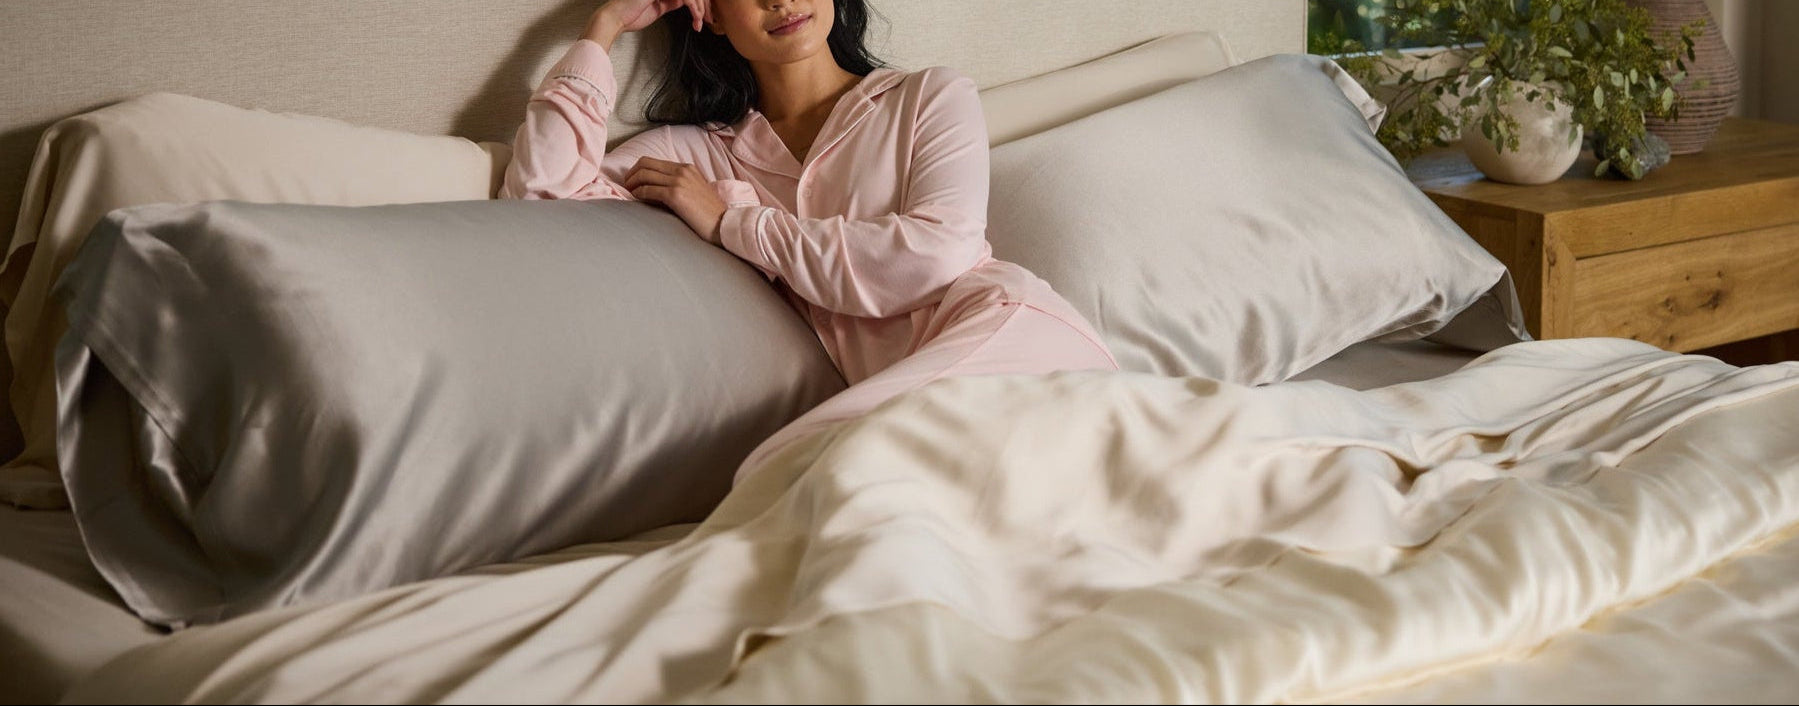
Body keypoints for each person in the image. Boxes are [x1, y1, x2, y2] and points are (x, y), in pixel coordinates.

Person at [503, 0, 1117, 481]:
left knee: (793, 469)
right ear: (710, 13)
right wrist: (604, 29)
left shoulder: (928, 97)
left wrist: (732, 224)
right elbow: (542, 202)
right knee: (815, 482)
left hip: (1009, 338)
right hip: (905, 397)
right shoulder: (699, 153)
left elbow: (937, 255)